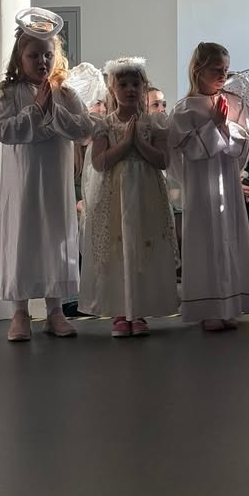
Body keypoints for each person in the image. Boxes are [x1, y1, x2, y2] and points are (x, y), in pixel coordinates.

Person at [0, 8, 92, 342]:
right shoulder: (9, 93)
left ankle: (55, 311)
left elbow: (84, 130)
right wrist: (36, 110)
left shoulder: (66, 93)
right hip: (22, 182)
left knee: (56, 237)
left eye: (48, 55)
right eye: (34, 55)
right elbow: (4, 131)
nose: (42, 61)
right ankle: (20, 312)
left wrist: (54, 111)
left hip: (54, 180)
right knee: (23, 237)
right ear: (20, 58)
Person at [79, 58, 178, 337]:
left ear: (144, 87)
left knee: (143, 246)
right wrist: (125, 143)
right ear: (113, 89)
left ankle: (140, 310)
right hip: (115, 194)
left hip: (146, 193)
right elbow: (99, 163)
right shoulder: (104, 124)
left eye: (136, 84)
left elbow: (162, 160)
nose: (130, 89)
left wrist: (140, 142)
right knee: (118, 248)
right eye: (123, 84)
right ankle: (121, 312)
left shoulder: (154, 122)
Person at [169, 42, 249, 331]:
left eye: (226, 70)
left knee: (229, 237)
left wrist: (225, 127)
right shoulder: (185, 108)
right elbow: (184, 152)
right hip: (200, 184)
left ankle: (229, 305)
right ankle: (208, 308)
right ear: (198, 69)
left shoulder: (235, 103)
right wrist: (215, 125)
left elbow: (243, 145)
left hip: (227, 181)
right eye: (216, 69)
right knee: (206, 240)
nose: (223, 75)